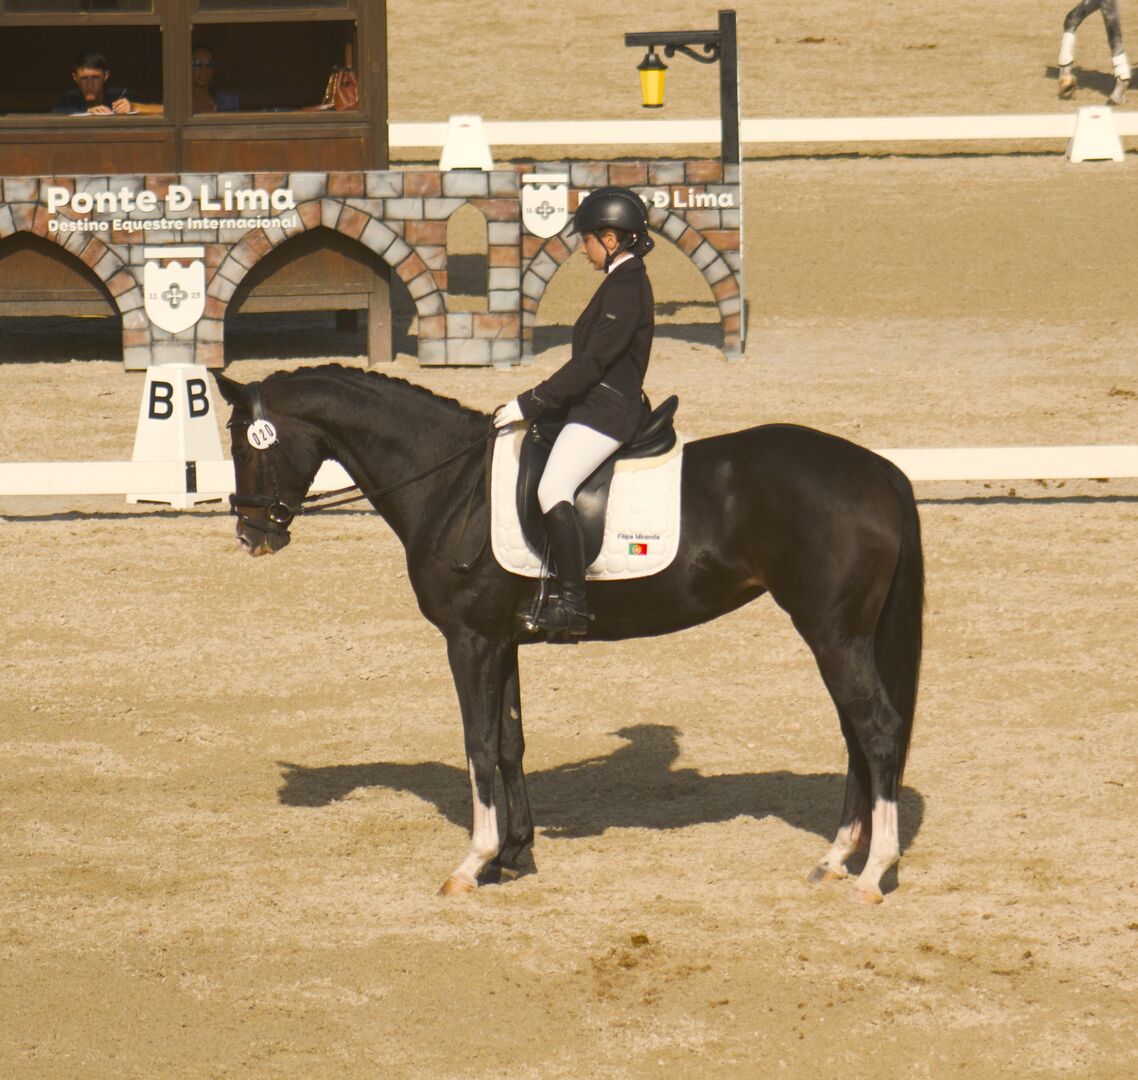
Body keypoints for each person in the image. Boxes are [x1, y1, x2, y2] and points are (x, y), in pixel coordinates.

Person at [494, 186, 656, 639]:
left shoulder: (626, 289)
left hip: (607, 410)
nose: (583, 250)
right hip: (593, 403)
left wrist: (530, 402)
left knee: (553, 488)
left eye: (587, 240)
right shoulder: (620, 281)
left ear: (611, 239)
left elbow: (590, 365)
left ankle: (573, 605)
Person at [52, 48, 162, 115]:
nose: (90, 85)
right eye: (84, 78)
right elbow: (53, 120)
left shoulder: (120, 94)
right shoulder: (68, 99)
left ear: (105, 76)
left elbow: (164, 110)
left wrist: (134, 107)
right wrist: (86, 114)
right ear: (75, 77)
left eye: (95, 78)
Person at [191, 44, 239, 113]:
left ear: (213, 69)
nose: (204, 70)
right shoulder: (178, 101)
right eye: (197, 64)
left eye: (209, 64)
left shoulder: (228, 101)